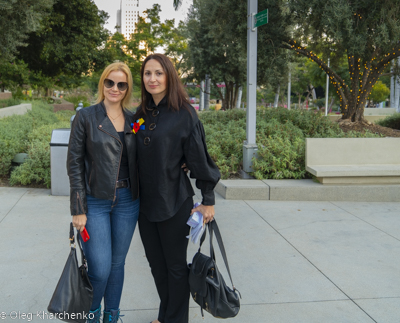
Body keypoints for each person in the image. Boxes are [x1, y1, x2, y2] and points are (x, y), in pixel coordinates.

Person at [134, 53, 221, 323]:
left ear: (169, 76)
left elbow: (199, 158)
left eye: (158, 73)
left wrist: (208, 198)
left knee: (174, 267)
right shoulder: (141, 115)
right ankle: (166, 315)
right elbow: (133, 143)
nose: (153, 79)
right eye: (148, 73)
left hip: (174, 201)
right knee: (157, 267)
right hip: (144, 206)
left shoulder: (185, 114)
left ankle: (175, 319)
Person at [67, 62, 139, 323]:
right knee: (99, 268)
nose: (115, 88)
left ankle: (112, 315)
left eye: (121, 84)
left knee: (117, 265)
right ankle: (91, 314)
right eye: (110, 82)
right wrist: (78, 207)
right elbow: (74, 163)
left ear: (127, 87)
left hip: (128, 202)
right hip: (95, 201)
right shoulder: (85, 117)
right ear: (102, 83)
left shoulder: (135, 120)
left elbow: (150, 150)